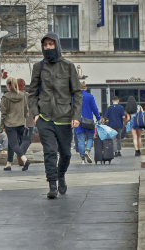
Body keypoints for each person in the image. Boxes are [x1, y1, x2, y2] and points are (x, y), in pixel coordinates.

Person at [28, 32, 83, 199]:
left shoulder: (68, 66)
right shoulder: (39, 67)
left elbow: (77, 93)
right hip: (44, 118)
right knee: (50, 152)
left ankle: (60, 175)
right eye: (45, 45)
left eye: (51, 45)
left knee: (65, 153)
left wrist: (76, 115)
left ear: (57, 45)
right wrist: (36, 114)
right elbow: (32, 93)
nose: (48, 48)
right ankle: (52, 184)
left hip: (65, 118)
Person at [0, 77, 30, 171]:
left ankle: (25, 160)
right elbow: (26, 110)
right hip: (21, 123)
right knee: (11, 143)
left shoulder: (5, 97)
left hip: (10, 124)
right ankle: (8, 164)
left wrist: (1, 126)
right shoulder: (22, 96)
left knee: (14, 144)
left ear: (9, 86)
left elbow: (3, 113)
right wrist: (24, 119)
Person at [75, 81, 101, 164]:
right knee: (90, 138)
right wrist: (98, 118)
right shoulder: (90, 96)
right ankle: (87, 150)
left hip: (78, 121)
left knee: (80, 139)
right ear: (85, 87)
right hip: (89, 121)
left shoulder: (74, 97)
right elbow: (95, 109)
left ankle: (82, 159)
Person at [17, 78, 35, 166]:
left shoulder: (13, 96)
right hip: (28, 122)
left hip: (16, 122)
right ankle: (20, 154)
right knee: (27, 140)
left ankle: (21, 160)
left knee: (20, 140)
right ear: (24, 85)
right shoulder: (28, 96)